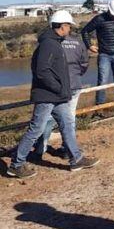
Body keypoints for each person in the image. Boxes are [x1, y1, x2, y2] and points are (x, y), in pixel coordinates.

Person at [8, 11, 100, 178]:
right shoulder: (49, 44)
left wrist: (60, 90)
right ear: (62, 26)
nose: (70, 28)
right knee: (36, 129)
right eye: (69, 26)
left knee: (67, 124)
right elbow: (42, 71)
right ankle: (16, 164)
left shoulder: (53, 42)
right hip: (48, 95)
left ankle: (76, 158)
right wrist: (57, 88)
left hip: (57, 95)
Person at [31, 24, 90, 160]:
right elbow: (85, 63)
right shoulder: (77, 43)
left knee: (48, 120)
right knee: (69, 119)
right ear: (64, 26)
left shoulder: (50, 44)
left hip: (56, 87)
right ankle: (67, 150)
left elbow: (40, 67)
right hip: (73, 85)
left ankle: (41, 148)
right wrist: (76, 75)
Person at [81, 0, 114, 112]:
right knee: (102, 81)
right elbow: (85, 31)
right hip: (104, 55)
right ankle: (99, 109)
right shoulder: (99, 19)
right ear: (108, 9)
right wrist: (89, 46)